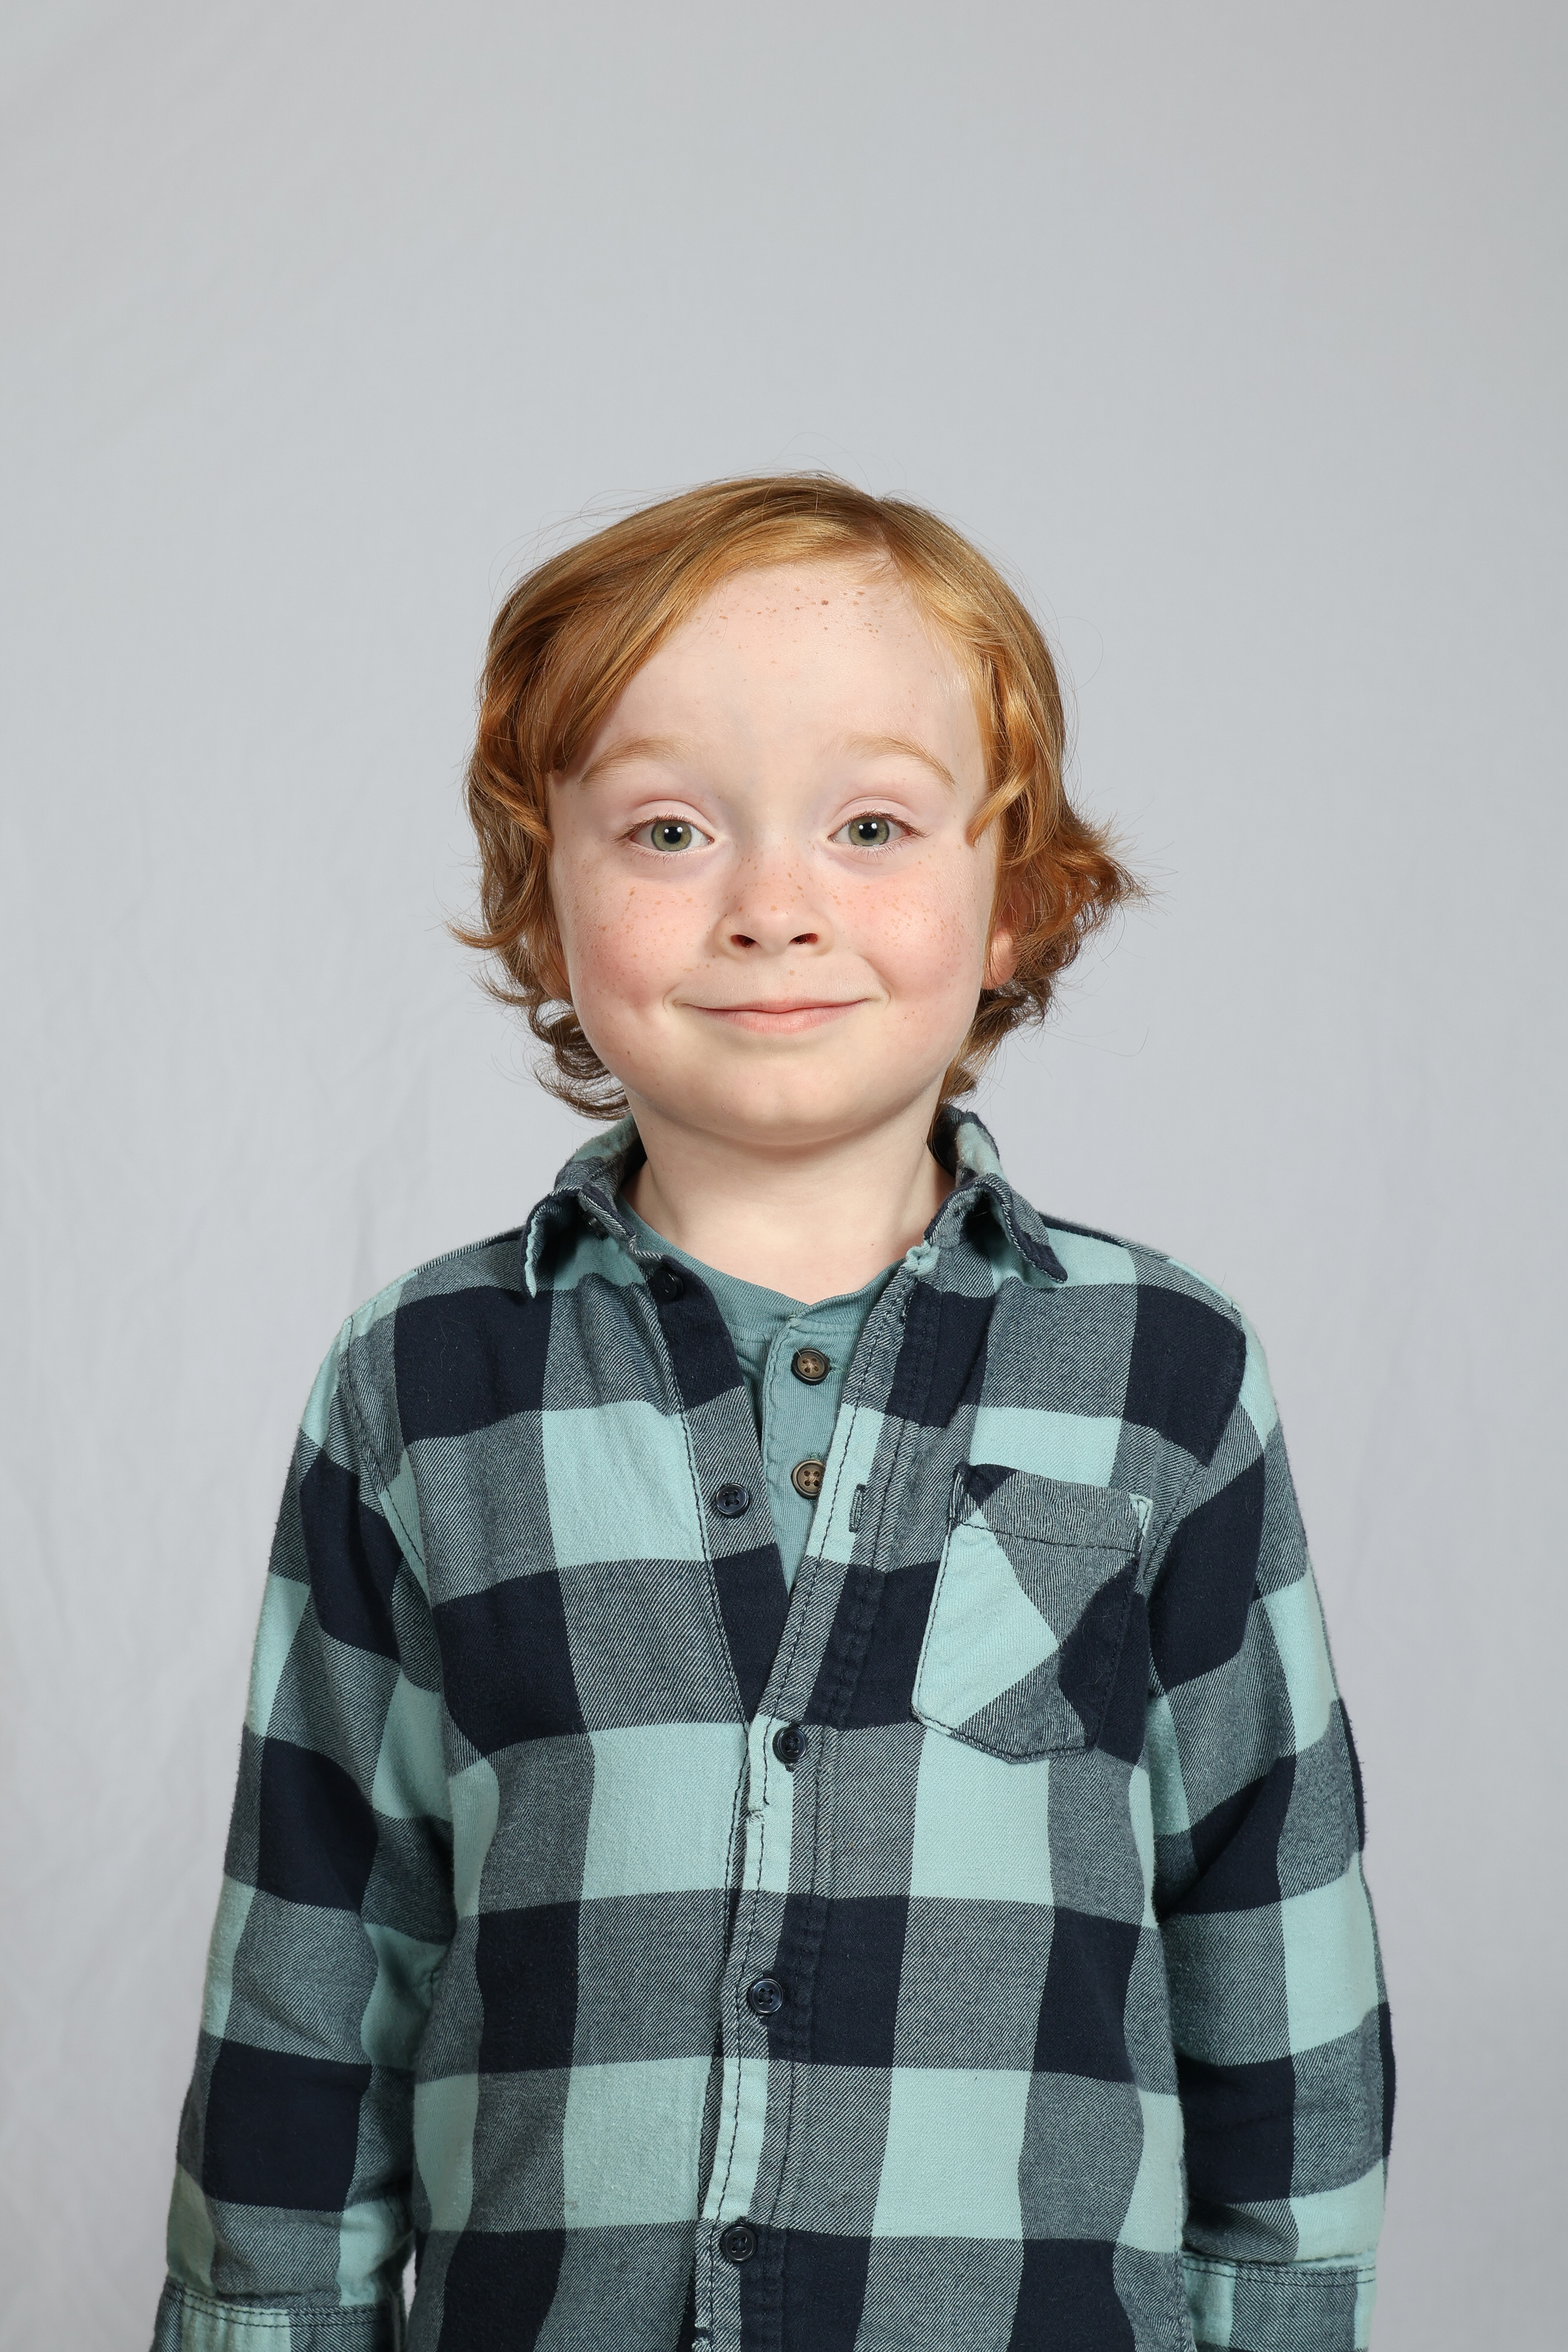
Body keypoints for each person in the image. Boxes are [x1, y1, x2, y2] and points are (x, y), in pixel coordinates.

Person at [151, 477, 1392, 2352]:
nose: (771, 909)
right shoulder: (419, 1382)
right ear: (545, 906)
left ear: (1012, 899)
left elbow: (1274, 1930)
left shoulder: (1168, 1374)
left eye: (870, 826)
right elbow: (315, 1953)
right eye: (668, 830)